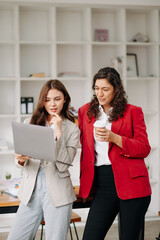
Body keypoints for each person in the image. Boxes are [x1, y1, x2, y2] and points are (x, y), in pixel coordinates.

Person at [78, 67, 151, 240]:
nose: (100, 93)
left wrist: (116, 138)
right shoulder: (85, 112)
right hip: (103, 184)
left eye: (105, 89)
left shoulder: (133, 111)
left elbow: (144, 148)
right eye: (96, 88)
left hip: (132, 185)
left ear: (116, 89)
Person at [8, 79, 80, 240]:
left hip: (58, 192)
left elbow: (63, 165)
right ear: (42, 101)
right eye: (47, 99)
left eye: (57, 98)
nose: (52, 104)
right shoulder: (30, 123)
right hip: (30, 192)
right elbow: (19, 163)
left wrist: (59, 133)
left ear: (65, 99)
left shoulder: (72, 129)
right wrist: (20, 159)